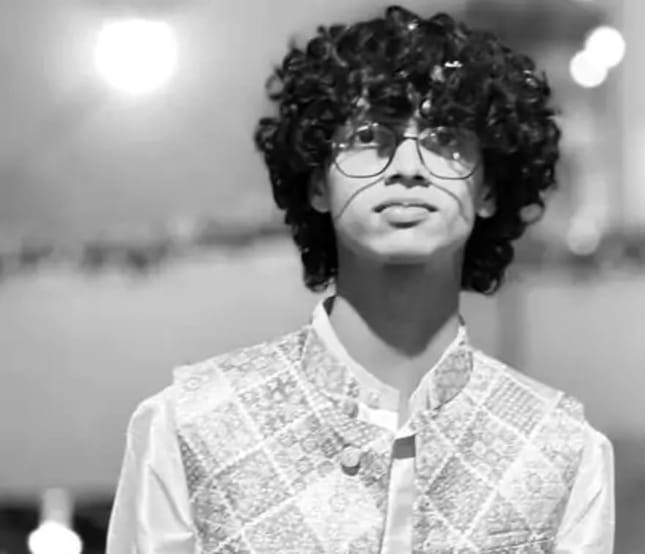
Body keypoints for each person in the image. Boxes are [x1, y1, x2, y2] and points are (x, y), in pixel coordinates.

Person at [106, 5, 614, 553]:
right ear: (317, 184)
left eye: (446, 142)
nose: (409, 167)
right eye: (371, 137)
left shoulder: (561, 451)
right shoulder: (188, 427)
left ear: (488, 189)